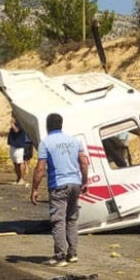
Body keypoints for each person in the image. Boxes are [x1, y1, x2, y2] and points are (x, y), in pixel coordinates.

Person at [29, 113, 89, 267]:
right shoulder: (74, 141)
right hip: (75, 183)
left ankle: (60, 256)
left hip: (58, 185)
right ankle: (73, 253)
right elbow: (83, 162)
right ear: (61, 125)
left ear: (48, 126)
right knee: (71, 219)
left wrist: (35, 189)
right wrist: (84, 181)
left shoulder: (46, 143)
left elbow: (40, 168)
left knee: (58, 220)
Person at [7, 117, 31, 185]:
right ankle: (18, 178)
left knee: (20, 162)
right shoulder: (15, 122)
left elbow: (16, 130)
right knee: (15, 163)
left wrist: (12, 124)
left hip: (19, 146)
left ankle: (22, 179)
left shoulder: (20, 122)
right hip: (13, 145)